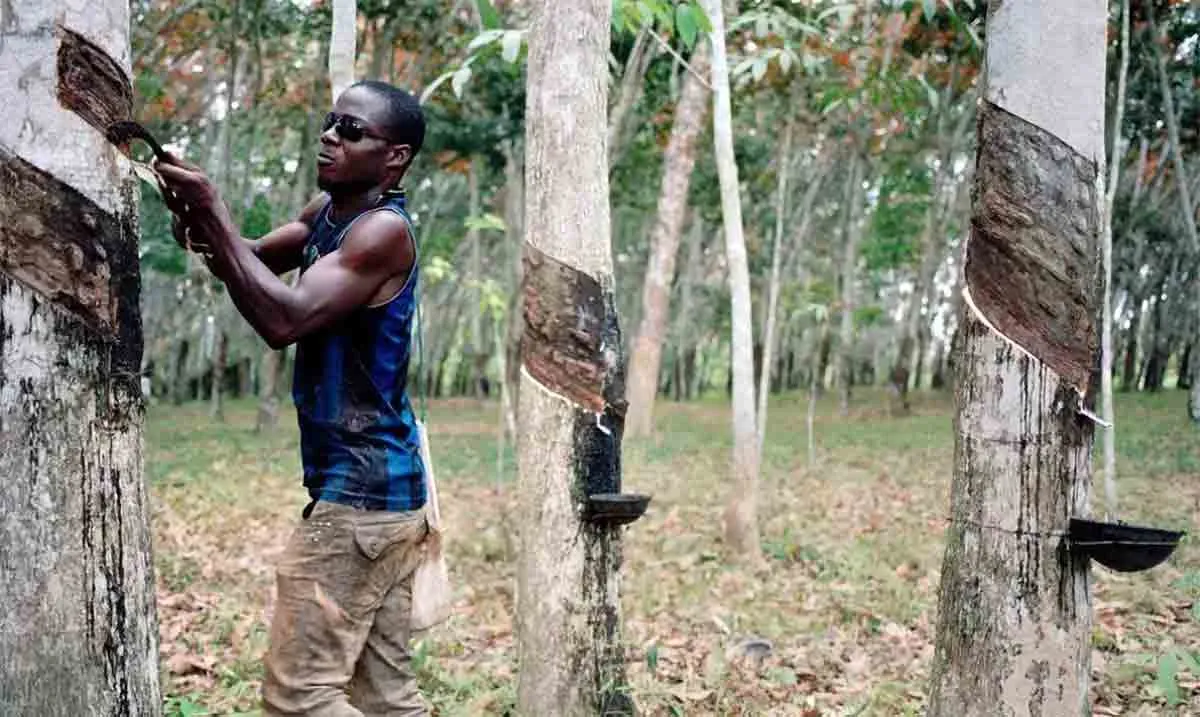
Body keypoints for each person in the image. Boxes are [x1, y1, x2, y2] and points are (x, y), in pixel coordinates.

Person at [155, 80, 432, 716]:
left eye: (352, 130)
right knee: (385, 698)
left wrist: (214, 207)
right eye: (331, 124)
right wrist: (197, 218)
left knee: (299, 699)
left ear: (395, 158)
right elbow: (247, 262)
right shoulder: (325, 215)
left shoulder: (382, 233)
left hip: (361, 499)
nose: (331, 137)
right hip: (385, 499)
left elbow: (283, 320)